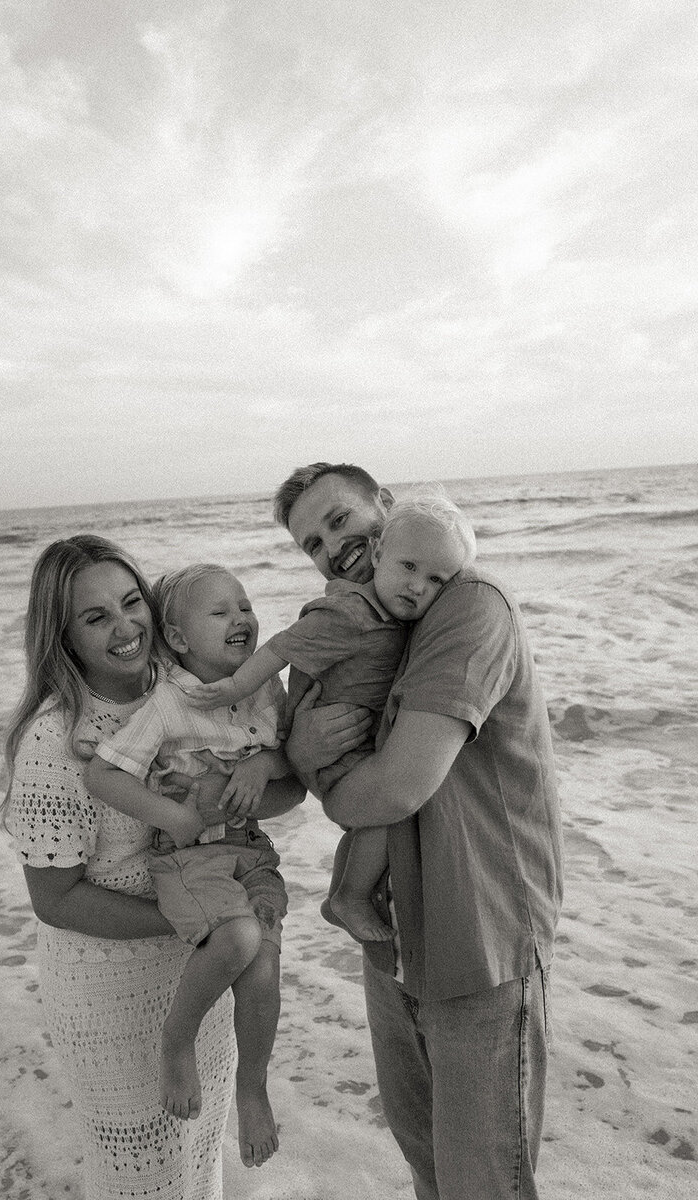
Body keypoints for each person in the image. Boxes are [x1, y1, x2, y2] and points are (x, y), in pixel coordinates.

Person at [274, 463, 564, 1200]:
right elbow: (303, 750)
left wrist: (322, 777)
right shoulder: (371, 624)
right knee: (431, 1171)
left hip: (478, 944)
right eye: (313, 543)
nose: (333, 549)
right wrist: (304, 755)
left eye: (339, 520)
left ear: (386, 503)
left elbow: (392, 786)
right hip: (393, 940)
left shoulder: (468, 606)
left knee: (483, 1184)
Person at [1, 535, 305, 1197]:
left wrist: (258, 770)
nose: (124, 626)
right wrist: (198, 927)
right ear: (63, 637)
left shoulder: (191, 691)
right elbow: (55, 900)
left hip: (204, 972)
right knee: (143, 1180)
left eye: (131, 602)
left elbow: (276, 796)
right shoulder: (55, 738)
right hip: (114, 995)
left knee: (198, 1163)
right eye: (96, 617)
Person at [187, 495, 476, 943]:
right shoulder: (353, 612)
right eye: (315, 544)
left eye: (341, 519)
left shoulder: (430, 604)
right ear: (383, 554)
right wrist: (237, 687)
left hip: (339, 750)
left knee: (373, 820)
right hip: (341, 750)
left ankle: (345, 894)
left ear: (381, 513)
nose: (418, 586)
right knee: (386, 816)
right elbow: (283, 646)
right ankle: (349, 896)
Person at [84, 564, 290, 1169]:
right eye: (221, 612)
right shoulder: (168, 703)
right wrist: (171, 819)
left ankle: (254, 1087)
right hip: (190, 859)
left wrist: (259, 767)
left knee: (264, 969)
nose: (242, 619)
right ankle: (177, 1041)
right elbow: (103, 773)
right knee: (240, 936)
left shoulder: (263, 690)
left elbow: (289, 766)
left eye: (246, 606)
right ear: (177, 639)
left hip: (251, 851)